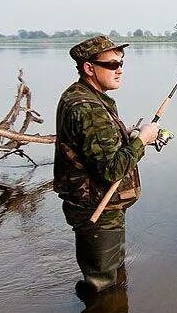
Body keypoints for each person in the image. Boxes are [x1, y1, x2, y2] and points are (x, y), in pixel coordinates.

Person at [55, 36, 158, 296]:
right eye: (112, 65)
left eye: (121, 63)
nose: (120, 70)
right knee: (102, 288)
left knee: (111, 278)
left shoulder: (83, 96)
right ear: (89, 68)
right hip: (97, 209)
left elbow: (98, 148)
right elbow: (112, 169)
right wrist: (143, 140)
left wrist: (131, 136)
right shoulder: (88, 108)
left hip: (98, 205)